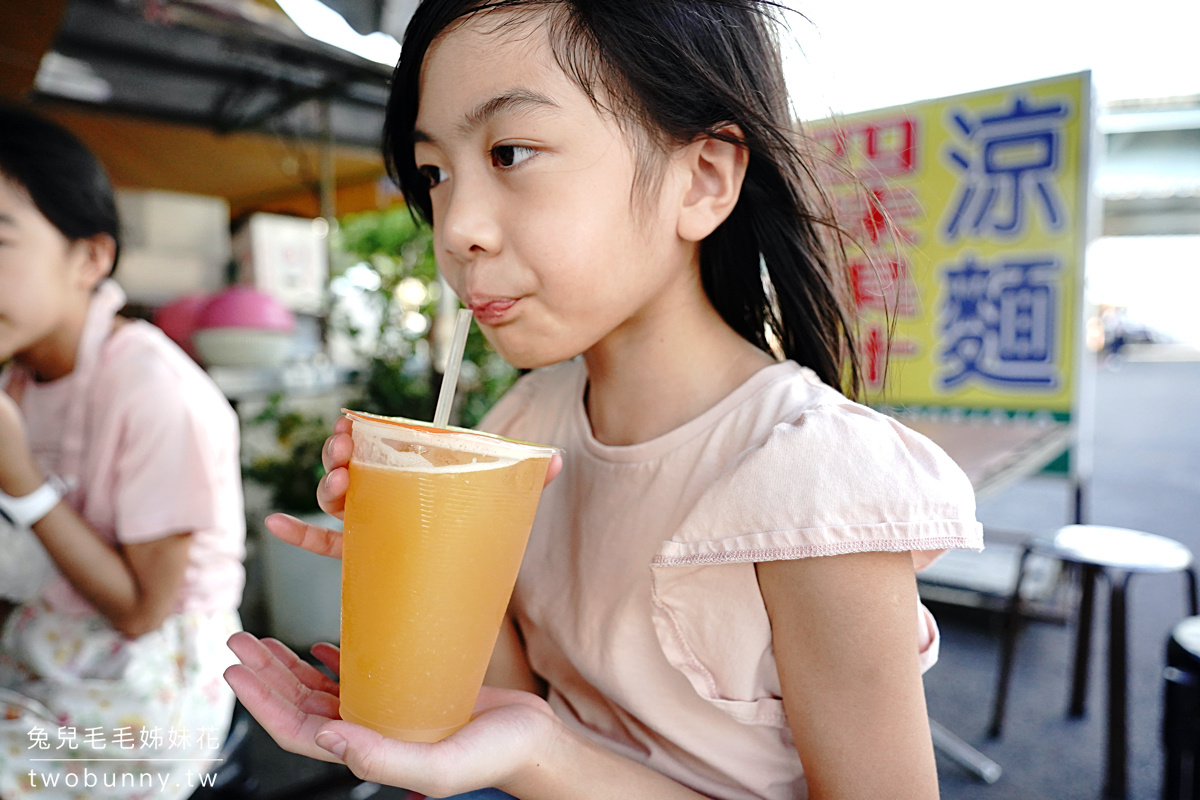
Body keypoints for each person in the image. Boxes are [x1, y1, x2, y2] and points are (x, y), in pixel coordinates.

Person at [224, 2, 984, 798]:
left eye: (511, 151)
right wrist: (430, 584)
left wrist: (544, 759)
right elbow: (510, 708)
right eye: (435, 173)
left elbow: (536, 747)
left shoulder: (817, 483)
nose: (457, 230)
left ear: (703, 178)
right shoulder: (520, 427)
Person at [0, 105, 245, 800]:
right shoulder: (19, 374)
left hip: (149, 687)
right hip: (44, 652)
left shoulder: (156, 391)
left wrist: (20, 476)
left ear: (91, 257)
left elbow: (143, 611)